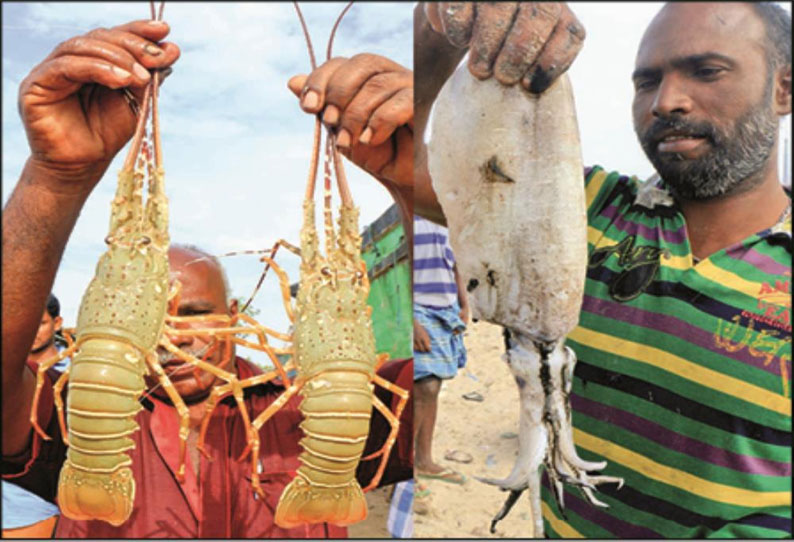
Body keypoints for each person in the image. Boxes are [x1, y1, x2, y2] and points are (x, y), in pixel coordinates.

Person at [2, 19, 413, 538]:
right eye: (163, 316)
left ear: (236, 319)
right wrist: (55, 176)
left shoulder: (300, 401)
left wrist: (419, 187)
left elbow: (433, 396)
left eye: (195, 314)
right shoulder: (65, 408)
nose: (174, 340)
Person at [411, 2, 791, 538]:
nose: (666, 102)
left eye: (706, 71)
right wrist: (443, 24)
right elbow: (413, 164)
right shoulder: (582, 204)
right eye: (647, 81)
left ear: (784, 89)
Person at [2, 294, 69, 538]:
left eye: (39, 324)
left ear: (57, 323)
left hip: (40, 511)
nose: (30, 332)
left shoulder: (80, 374)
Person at [412, 215, 469, 491]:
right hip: (418, 310)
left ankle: (424, 460)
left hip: (446, 311)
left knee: (432, 388)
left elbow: (456, 266)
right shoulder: (407, 217)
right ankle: (408, 467)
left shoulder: (446, 219)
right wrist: (412, 323)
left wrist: (464, 304)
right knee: (426, 385)